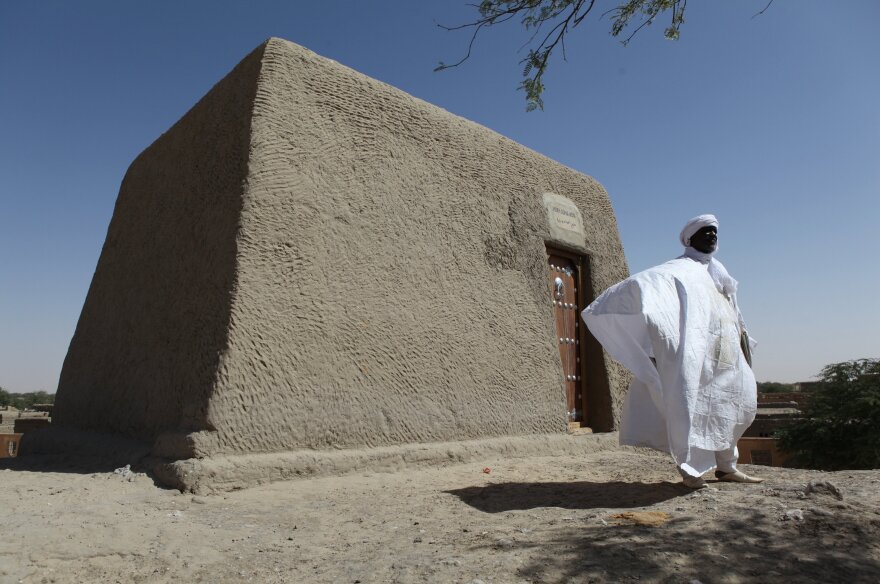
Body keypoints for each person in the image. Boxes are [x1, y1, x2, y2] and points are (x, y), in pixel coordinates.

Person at [582, 214, 762, 489]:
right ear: (690, 240)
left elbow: (734, 314)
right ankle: (690, 470)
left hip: (725, 357)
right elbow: (652, 283)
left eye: (714, 233)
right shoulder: (680, 270)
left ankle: (727, 467)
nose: (712, 237)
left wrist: (742, 342)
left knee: (729, 408)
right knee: (689, 409)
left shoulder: (720, 274)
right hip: (697, 356)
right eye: (705, 233)